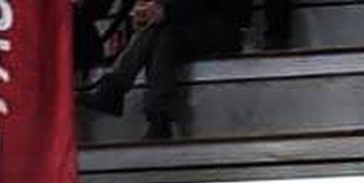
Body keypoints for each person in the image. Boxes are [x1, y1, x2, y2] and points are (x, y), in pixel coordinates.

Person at [77, 0, 244, 140]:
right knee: (162, 35)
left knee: (164, 33)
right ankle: (158, 117)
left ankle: (116, 90)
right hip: (179, 27)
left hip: (220, 26)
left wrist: (165, 11)